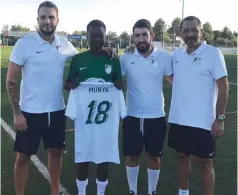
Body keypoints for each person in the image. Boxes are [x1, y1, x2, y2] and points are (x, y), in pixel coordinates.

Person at [5, 1, 78, 195]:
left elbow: (83, 61)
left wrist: (108, 53)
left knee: (56, 153)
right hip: (29, 112)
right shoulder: (24, 44)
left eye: (51, 17)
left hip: (56, 111)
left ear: (57, 20)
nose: (47, 21)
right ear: (37, 19)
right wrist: (17, 112)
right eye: (43, 17)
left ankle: (55, 191)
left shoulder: (65, 44)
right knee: (22, 157)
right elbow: (11, 79)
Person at [168, 16, 229, 195]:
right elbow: (167, 73)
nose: (190, 34)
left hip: (204, 122)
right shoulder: (176, 55)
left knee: (205, 163)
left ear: (201, 31)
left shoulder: (213, 54)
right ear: (181, 34)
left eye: (194, 30)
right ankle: (183, 192)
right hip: (179, 119)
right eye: (186, 31)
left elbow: (224, 89)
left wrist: (220, 119)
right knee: (181, 157)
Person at [64, 19, 123, 195]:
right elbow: (68, 83)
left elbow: (118, 84)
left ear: (106, 36)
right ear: (87, 36)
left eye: (100, 35)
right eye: (93, 35)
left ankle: (100, 192)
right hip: (84, 121)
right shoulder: (78, 59)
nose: (97, 39)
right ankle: (81, 192)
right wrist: (72, 85)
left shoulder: (113, 60)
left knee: (103, 159)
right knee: (83, 158)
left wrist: (120, 85)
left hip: (105, 123)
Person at [119, 19, 173, 195]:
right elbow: (117, 82)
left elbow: (175, 82)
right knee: (131, 156)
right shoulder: (126, 58)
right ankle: (132, 190)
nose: (141, 39)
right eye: (137, 35)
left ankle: (152, 191)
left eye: (144, 34)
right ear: (133, 38)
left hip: (156, 116)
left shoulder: (164, 57)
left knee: (154, 156)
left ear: (152, 35)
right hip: (132, 116)